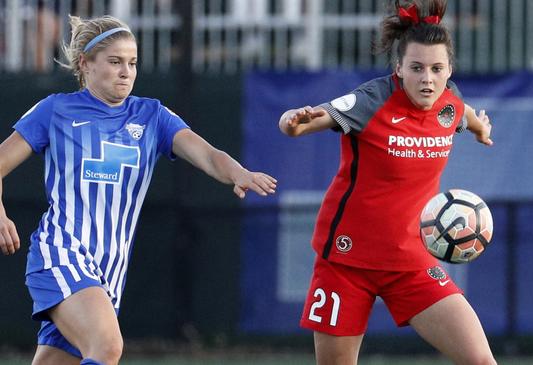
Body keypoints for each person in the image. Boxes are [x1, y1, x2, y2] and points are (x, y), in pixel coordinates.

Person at [0, 15, 276, 365]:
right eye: (115, 62)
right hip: (62, 254)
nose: (126, 71)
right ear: (85, 64)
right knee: (107, 348)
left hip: (108, 271)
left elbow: (206, 153)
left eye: (132, 63)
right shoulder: (56, 110)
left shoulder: (152, 116)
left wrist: (238, 173)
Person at [278, 0, 495, 364]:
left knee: (481, 360)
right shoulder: (371, 100)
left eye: (437, 69)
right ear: (399, 67)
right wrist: (292, 120)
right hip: (346, 262)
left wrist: (480, 129)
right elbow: (303, 124)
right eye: (417, 68)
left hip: (410, 263)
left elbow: (465, 115)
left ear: (449, 70)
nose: (427, 78)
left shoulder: (448, 104)